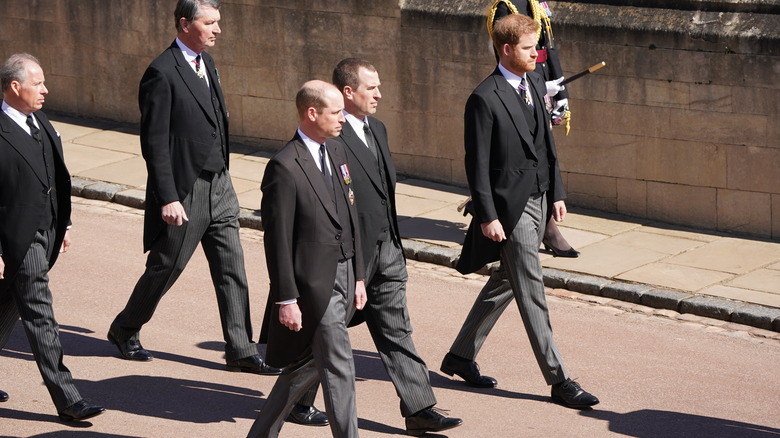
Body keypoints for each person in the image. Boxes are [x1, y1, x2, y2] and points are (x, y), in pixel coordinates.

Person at [107, 0, 279, 376]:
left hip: (221, 184)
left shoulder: (208, 64)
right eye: (209, 23)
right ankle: (125, 328)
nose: (217, 30)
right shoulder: (161, 72)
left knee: (232, 267)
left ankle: (240, 349)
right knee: (167, 266)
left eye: (218, 22)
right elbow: (154, 143)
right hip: (185, 188)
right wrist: (167, 196)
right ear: (185, 24)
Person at [440, 14, 599, 409]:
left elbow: (545, 143)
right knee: (532, 289)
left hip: (541, 198)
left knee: (508, 282)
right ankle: (559, 380)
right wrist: (487, 215)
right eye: (530, 48)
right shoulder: (484, 98)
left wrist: (557, 192)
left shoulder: (531, 82)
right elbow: (476, 165)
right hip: (510, 210)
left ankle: (460, 355)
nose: (538, 54)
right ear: (507, 50)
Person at [330, 58, 462, 436]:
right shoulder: (333, 136)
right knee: (329, 333)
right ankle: (296, 400)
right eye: (371, 88)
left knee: (396, 327)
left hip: (387, 246)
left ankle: (419, 407)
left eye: (379, 86)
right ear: (348, 92)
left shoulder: (379, 129)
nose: (379, 94)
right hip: (352, 255)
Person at [247, 80, 367, 438]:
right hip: (314, 286)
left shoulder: (338, 151)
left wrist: (359, 276)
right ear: (312, 113)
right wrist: (286, 298)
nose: (343, 118)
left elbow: (350, 218)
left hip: (346, 275)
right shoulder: (284, 166)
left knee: (309, 364)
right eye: (335, 112)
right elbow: (278, 240)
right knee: (340, 364)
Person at [0, 53, 105, 422]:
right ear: (15, 87)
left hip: (46, 231)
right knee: (40, 314)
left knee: (9, 304)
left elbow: (57, 179)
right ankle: (68, 398)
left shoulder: (40, 122)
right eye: (38, 83)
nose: (45, 90)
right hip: (17, 238)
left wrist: (66, 224)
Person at [489, 0, 579, 258]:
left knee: (544, 150)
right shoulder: (505, 6)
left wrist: (560, 91)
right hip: (523, 86)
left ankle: (544, 222)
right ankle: (545, 227)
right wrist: (533, 87)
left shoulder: (535, 3)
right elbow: (509, 55)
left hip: (541, 84)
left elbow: (549, 47)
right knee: (529, 154)